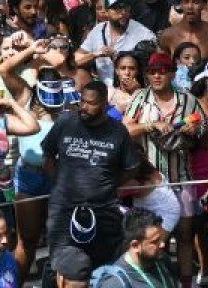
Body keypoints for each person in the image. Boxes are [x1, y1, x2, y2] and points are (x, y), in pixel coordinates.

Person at [44, 78, 143, 268]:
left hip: (103, 209)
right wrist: (59, 183)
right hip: (63, 209)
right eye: (82, 101)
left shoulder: (118, 131)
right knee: (60, 264)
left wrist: (108, 183)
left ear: (105, 105)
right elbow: (48, 155)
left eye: (91, 103)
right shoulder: (65, 121)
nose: (83, 107)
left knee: (103, 265)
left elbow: (132, 168)